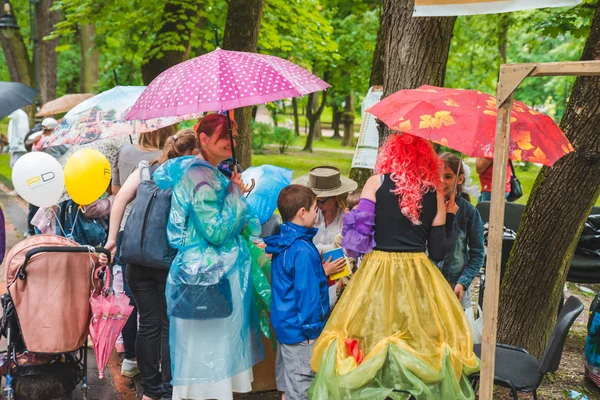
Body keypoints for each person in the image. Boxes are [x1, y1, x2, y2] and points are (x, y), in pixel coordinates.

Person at [309, 134, 479, 399]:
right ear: (427, 161)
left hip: (377, 268)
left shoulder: (375, 183)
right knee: (417, 334)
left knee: (369, 331)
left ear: (390, 156)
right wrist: (450, 216)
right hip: (418, 271)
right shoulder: (434, 193)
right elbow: (438, 251)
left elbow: (357, 241)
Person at [152, 114, 263, 400]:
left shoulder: (206, 173)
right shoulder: (200, 177)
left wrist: (230, 189)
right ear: (203, 139)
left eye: (234, 136)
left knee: (206, 353)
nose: (232, 142)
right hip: (209, 277)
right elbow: (215, 230)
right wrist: (235, 196)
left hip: (205, 274)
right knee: (210, 355)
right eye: (225, 137)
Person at [101, 129, 198, 400]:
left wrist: (112, 240)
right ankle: (168, 392)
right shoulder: (188, 177)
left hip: (134, 259)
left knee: (148, 324)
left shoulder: (146, 170)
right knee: (168, 325)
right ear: (191, 153)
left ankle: (150, 392)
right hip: (166, 262)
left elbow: (119, 200)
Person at [110, 124, 176, 378]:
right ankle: (167, 379)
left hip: (131, 236)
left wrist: (111, 239)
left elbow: (117, 194)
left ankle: (131, 361)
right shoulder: (173, 164)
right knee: (165, 321)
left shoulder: (127, 153)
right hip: (163, 243)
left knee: (136, 306)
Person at [264, 185, 329, 400]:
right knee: (301, 387)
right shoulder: (302, 249)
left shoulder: (283, 241)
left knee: (290, 383)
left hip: (286, 326)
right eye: (314, 209)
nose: (316, 213)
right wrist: (312, 331)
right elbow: (307, 295)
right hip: (302, 332)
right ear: (302, 213)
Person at [291, 167, 356, 307]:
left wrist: (316, 249)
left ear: (335, 198)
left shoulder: (346, 218)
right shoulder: (310, 215)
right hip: (312, 276)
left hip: (338, 278)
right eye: (314, 201)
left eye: (321, 201)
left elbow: (347, 248)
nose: (317, 206)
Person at [438, 153, 485, 310]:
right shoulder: (426, 207)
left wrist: (463, 282)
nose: (442, 181)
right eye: (437, 176)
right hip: (427, 284)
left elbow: (478, 253)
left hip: (454, 286)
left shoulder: (469, 213)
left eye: (448, 176)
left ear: (459, 179)